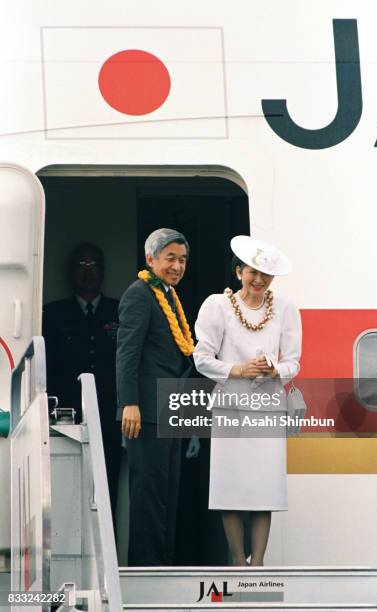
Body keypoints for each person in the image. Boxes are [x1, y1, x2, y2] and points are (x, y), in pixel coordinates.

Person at [193, 235, 301, 566]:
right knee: (231, 489)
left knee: (263, 489)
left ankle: (259, 564)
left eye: (265, 275)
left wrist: (273, 370)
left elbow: (294, 361)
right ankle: (239, 561)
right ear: (239, 271)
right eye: (252, 272)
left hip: (267, 408)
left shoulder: (285, 308)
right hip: (230, 408)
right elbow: (201, 358)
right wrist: (238, 369)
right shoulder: (218, 305)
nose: (258, 280)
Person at [116, 228, 193, 566]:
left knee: (168, 493)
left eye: (182, 259)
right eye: (170, 258)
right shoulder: (139, 294)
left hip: (171, 407)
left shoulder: (169, 295)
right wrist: (128, 403)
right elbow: (127, 353)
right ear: (151, 260)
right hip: (145, 410)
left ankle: (166, 564)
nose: (177, 266)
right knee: (148, 494)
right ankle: (145, 570)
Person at [43, 243, 122, 517]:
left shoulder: (119, 311)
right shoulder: (53, 314)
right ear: (69, 272)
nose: (87, 272)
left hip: (110, 415)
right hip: (66, 414)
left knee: (107, 486)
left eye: (93, 265)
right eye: (81, 265)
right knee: (66, 484)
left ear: (103, 272)